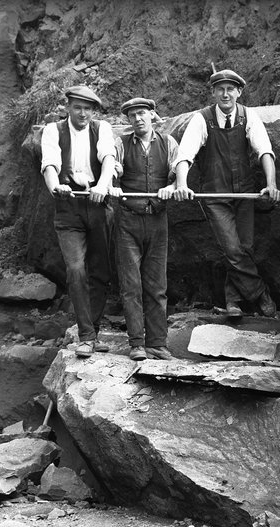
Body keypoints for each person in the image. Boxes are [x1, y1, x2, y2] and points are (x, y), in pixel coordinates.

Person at [171, 68, 280, 318]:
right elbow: (185, 155)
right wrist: (181, 184)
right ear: (213, 92)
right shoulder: (202, 119)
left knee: (245, 248)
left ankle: (233, 301)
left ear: (239, 92)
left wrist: (271, 184)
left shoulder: (248, 117)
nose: (225, 94)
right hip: (215, 197)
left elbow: (265, 151)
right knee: (232, 249)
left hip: (244, 195)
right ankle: (261, 293)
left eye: (230, 89)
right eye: (220, 89)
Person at [39, 85, 118, 357]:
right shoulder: (53, 130)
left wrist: (103, 185)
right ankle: (86, 335)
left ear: (93, 111)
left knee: (102, 272)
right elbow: (49, 165)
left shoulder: (102, 128)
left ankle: (92, 331)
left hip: (98, 203)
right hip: (68, 206)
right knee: (75, 269)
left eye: (88, 108)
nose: (82, 113)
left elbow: (108, 158)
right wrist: (55, 188)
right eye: (77, 107)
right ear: (68, 108)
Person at [109, 97, 178, 361]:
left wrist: (172, 189)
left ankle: (158, 344)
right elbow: (111, 169)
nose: (138, 119)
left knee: (157, 284)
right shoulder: (121, 144)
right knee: (131, 285)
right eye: (132, 115)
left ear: (152, 115)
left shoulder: (168, 143)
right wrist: (112, 184)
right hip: (128, 220)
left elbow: (178, 174)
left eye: (142, 114)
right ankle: (137, 343)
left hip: (158, 220)